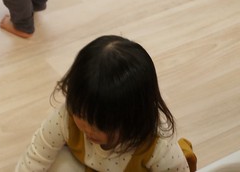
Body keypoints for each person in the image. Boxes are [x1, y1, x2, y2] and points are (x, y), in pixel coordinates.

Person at [16, 35, 196, 171]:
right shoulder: (66, 117)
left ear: (134, 118)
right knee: (56, 163)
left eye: (101, 124)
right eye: (80, 114)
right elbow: (36, 156)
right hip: (86, 165)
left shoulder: (157, 145)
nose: (87, 128)